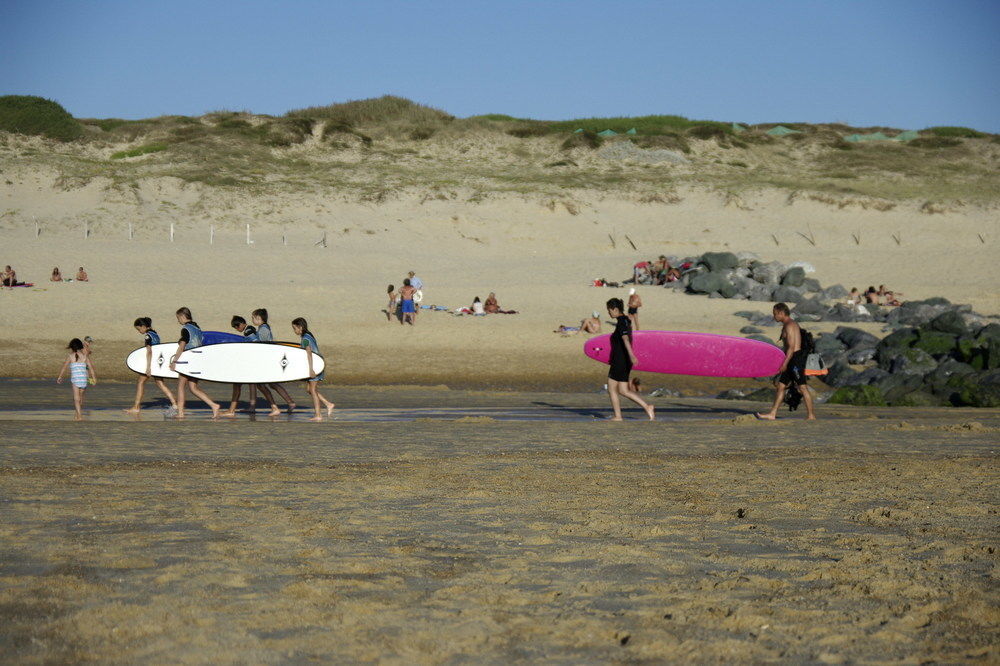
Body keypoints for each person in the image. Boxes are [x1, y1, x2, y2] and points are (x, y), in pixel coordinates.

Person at [756, 302, 817, 421]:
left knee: (803, 387)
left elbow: (791, 347)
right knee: (781, 386)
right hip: (792, 358)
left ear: (781, 313)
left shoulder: (789, 326)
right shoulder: (790, 324)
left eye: (775, 314)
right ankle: (772, 414)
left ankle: (811, 415)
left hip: (795, 359)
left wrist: (784, 363)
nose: (774, 317)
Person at [604, 298, 655, 421]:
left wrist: (632, 355)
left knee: (611, 388)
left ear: (615, 309)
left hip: (620, 361)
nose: (609, 313)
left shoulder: (622, 322)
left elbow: (626, 339)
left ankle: (618, 416)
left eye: (609, 310)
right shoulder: (626, 320)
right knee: (623, 390)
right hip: (625, 361)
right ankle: (647, 406)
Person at [222, 315, 282, 417]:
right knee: (259, 386)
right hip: (253, 363)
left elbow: (255, 346)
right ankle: (270, 407)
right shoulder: (250, 329)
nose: (237, 330)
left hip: (253, 363)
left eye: (236, 327)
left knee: (240, 384)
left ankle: (231, 411)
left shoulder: (248, 331)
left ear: (241, 324)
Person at [168, 307, 221, 419]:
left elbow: (182, 345)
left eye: (178, 318)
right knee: (193, 387)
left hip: (188, 360)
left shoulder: (186, 329)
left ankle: (181, 413)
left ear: (183, 316)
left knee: (181, 386)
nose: (178, 321)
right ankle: (214, 405)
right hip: (197, 360)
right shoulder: (197, 328)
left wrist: (174, 361)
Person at [124, 317, 178, 414]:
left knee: (140, 382)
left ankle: (136, 407)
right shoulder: (155, 334)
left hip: (152, 363)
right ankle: (174, 403)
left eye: (139, 329)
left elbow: (149, 352)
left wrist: (148, 368)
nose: (139, 331)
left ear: (143, 326)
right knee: (160, 383)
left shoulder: (148, 336)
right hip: (158, 363)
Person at [251, 308, 296, 412]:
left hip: (266, 361)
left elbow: (263, 346)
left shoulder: (263, 329)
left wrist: (252, 338)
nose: (252, 320)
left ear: (259, 318)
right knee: (270, 384)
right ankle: (285, 404)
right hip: (267, 360)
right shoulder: (263, 328)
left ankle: (280, 405)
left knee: (267, 384)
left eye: (253, 318)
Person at [292, 317, 335, 421]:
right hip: (317, 365)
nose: (294, 331)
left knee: (312, 389)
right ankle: (328, 404)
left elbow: (309, 354)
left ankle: (318, 415)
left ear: (300, 327)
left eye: (294, 328)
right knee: (309, 389)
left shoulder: (306, 339)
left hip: (315, 367)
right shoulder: (308, 335)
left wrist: (311, 370)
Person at [56, 338, 96, 420]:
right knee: (80, 399)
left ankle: (80, 416)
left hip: (76, 381)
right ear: (81, 347)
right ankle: (77, 415)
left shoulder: (71, 356)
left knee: (76, 399)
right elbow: (91, 368)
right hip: (84, 380)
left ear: (72, 347)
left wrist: (60, 376)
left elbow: (64, 367)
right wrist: (94, 378)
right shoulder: (85, 357)